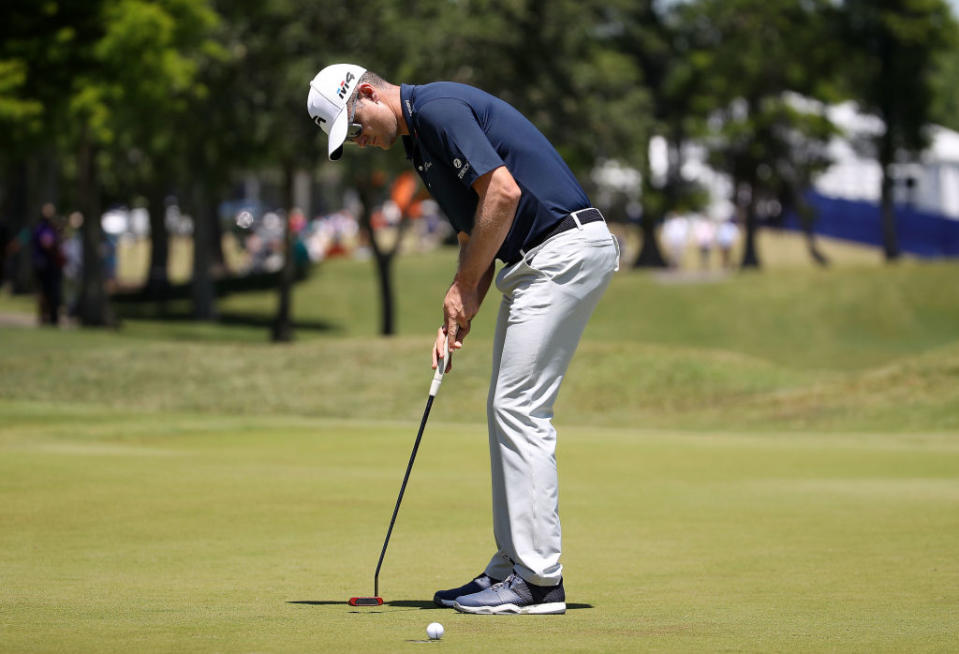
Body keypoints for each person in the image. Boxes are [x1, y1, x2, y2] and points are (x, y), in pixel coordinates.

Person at [307, 64, 619, 615]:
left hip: (561, 251)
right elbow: (475, 227)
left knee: (518, 409)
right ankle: (514, 568)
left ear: (368, 92)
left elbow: (502, 191)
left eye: (355, 127)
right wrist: (462, 300)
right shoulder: (419, 144)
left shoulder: (436, 109)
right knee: (506, 408)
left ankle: (540, 582)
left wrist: (465, 282)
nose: (362, 142)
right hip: (535, 261)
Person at [31, 203, 64, 325]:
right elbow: (47, 244)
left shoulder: (51, 228)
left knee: (51, 291)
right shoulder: (42, 228)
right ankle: (44, 317)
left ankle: (51, 316)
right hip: (43, 264)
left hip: (50, 265)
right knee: (44, 292)